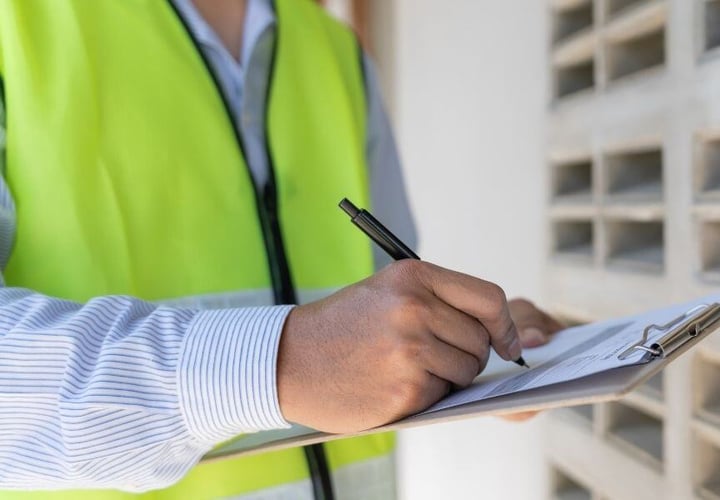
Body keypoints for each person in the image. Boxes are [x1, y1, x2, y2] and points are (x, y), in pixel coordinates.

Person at [0, 0, 563, 498]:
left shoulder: (338, 54)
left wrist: (460, 351)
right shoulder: (16, 26)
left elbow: (388, 324)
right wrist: (276, 364)